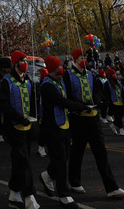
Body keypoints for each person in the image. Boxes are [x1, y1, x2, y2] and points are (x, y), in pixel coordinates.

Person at [62, 49, 124, 200]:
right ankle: (74, 182)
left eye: (85, 56)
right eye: (81, 57)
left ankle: (112, 187)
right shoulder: (68, 75)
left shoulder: (90, 74)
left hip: (93, 117)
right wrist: (80, 105)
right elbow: (67, 95)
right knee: (77, 151)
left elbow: (98, 91)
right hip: (78, 118)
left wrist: (97, 100)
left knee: (101, 152)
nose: (84, 59)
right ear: (74, 59)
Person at [37, 56, 88, 209]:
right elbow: (61, 102)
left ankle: (46, 176)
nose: (62, 68)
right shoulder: (47, 86)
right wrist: (79, 106)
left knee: (65, 156)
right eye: (59, 66)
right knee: (59, 160)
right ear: (53, 68)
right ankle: (64, 195)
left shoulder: (58, 82)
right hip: (52, 127)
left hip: (64, 125)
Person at [0, 50, 40, 209]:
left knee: (20, 160)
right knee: (24, 161)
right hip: (14, 128)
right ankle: (29, 196)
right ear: (15, 64)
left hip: (27, 126)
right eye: (22, 60)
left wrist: (33, 119)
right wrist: (18, 117)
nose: (25, 63)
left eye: (25, 60)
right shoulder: (7, 82)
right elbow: (3, 104)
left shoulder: (28, 81)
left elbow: (32, 103)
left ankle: (14, 194)